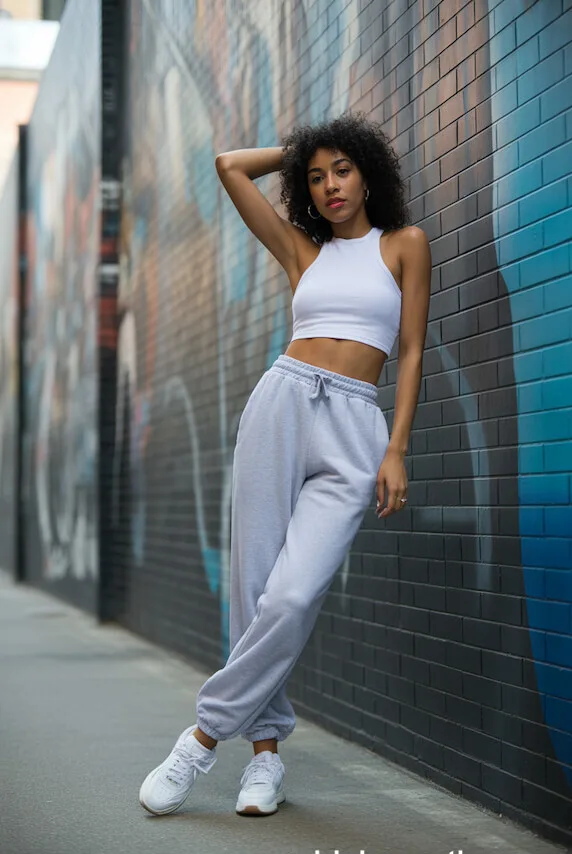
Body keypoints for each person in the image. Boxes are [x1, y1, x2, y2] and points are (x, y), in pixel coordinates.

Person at [139, 111, 431, 817]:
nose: (331, 185)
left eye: (343, 168)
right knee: (255, 587)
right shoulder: (304, 252)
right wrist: (298, 148)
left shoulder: (404, 245)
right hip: (282, 404)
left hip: (357, 425)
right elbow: (229, 166)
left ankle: (202, 738)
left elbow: (413, 349)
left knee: (294, 595)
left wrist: (396, 447)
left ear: (368, 174)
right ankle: (264, 761)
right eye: (316, 175)